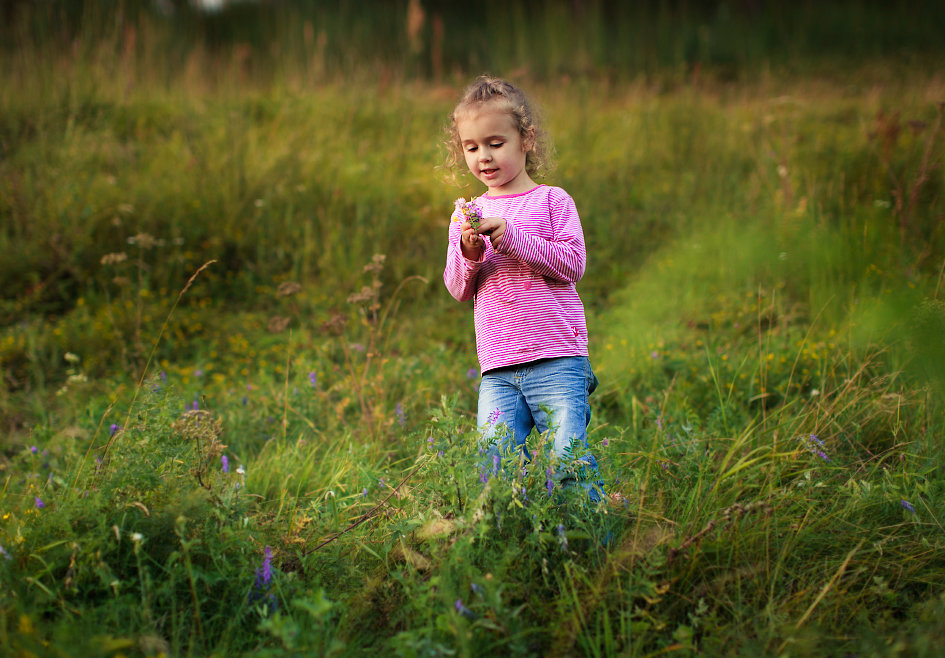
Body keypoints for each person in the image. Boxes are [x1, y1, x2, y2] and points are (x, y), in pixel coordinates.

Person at [442, 76, 604, 502]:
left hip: (557, 357)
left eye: (495, 142)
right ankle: (508, 547)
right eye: (472, 147)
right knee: (493, 469)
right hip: (497, 365)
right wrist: (469, 250)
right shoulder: (469, 214)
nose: (484, 157)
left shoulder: (552, 201)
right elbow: (458, 288)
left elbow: (572, 264)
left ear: (526, 139)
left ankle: (593, 550)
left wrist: (512, 238)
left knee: (567, 462)